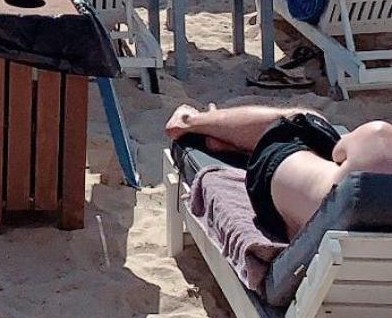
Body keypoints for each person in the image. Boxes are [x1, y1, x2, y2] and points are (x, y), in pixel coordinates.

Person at [166, 102, 392, 243]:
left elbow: (336, 150)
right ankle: (235, 143)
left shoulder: (378, 138)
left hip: (271, 181)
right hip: (305, 224)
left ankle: (192, 121)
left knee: (305, 120)